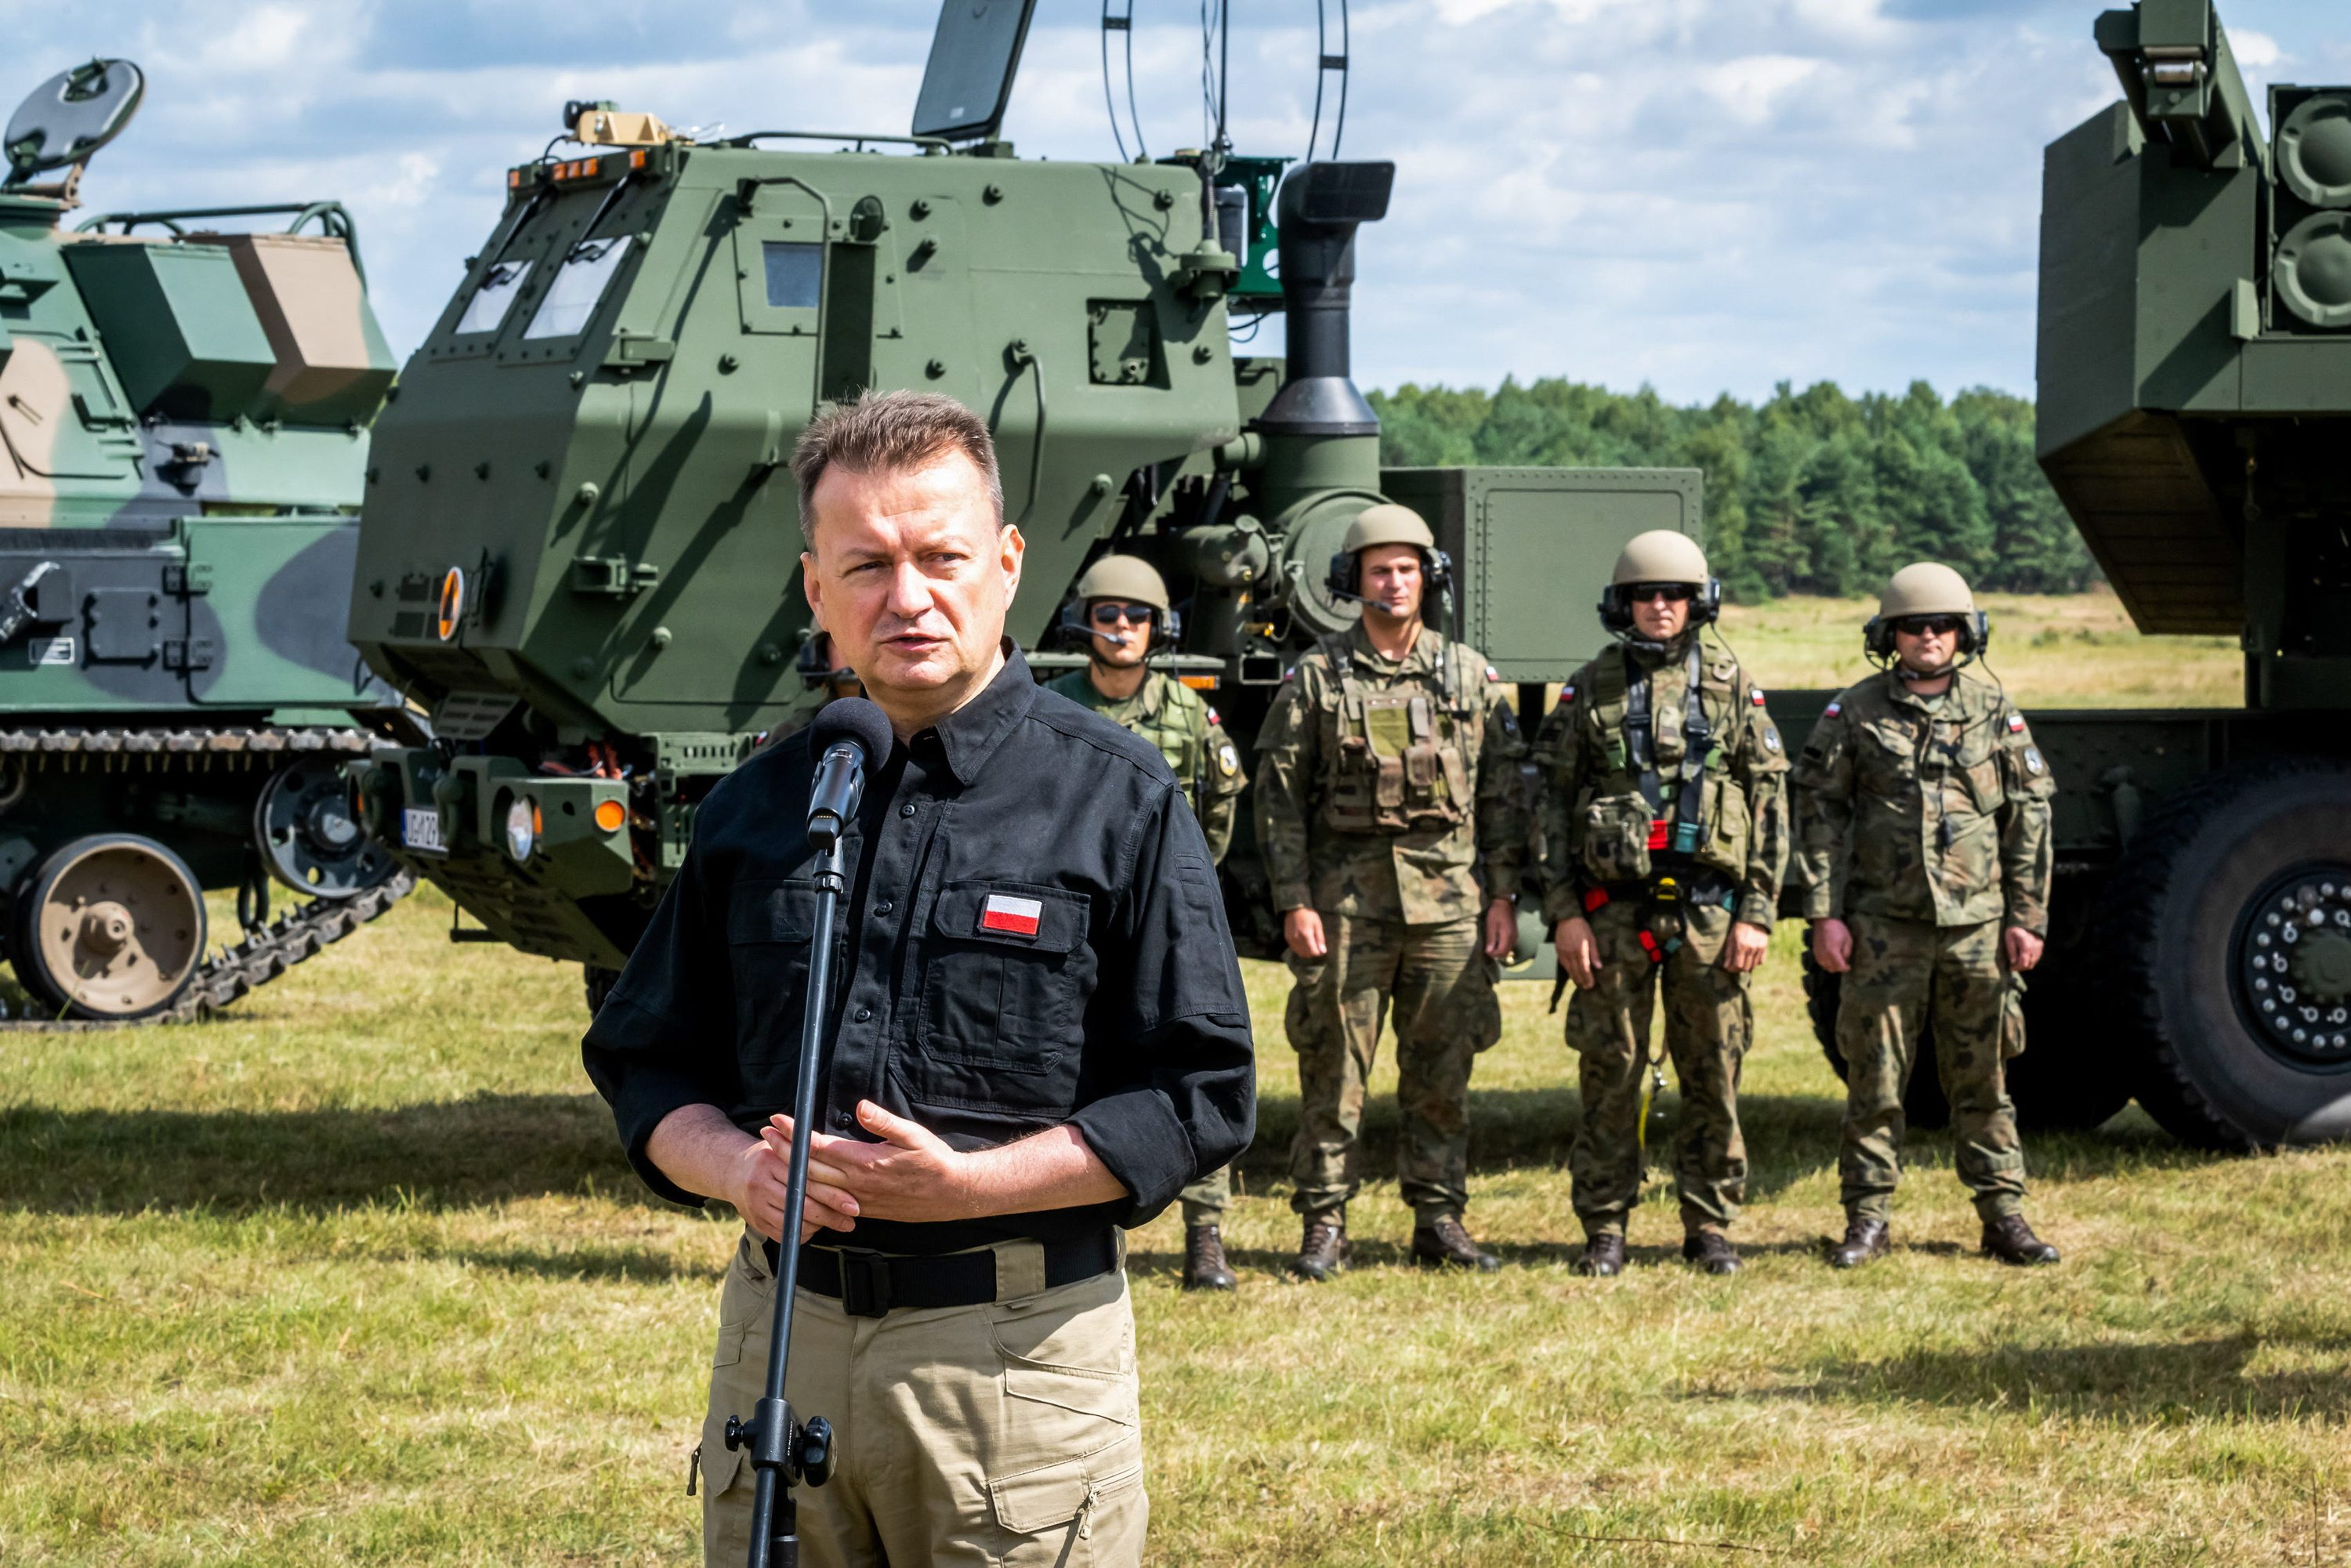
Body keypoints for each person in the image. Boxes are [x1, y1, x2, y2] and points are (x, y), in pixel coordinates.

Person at [581, 389, 1255, 1567]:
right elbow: (648, 1059)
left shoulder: (1120, 798)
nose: (907, 596)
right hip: (782, 1345)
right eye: (868, 564)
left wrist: (977, 1187)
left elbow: (1198, 1094)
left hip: (1011, 1359)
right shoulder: (758, 806)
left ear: (1005, 566)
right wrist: (736, 1166)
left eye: (940, 556)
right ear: (815, 591)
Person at [1253, 503, 1528, 1280]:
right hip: (1346, 908)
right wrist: (1294, 899)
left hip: (1448, 911)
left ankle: (1438, 1218)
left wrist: (1503, 895)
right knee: (1333, 1072)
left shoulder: (1466, 676)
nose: (1395, 581)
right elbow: (1278, 798)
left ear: (1427, 578)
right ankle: (1324, 1224)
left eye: (1408, 568)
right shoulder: (1317, 678)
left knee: (1442, 1072)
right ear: (1353, 581)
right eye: (1380, 569)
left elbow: (1504, 794)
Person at [1791, 562, 2062, 1269]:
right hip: (1884, 926)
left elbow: (2029, 818)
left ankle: (2004, 1214)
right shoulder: (1854, 712)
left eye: (1944, 624)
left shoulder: (1994, 706)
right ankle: (1867, 1219)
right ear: (1890, 635)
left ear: (1966, 633)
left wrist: (2026, 917)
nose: (1930, 637)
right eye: (1914, 626)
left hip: (1977, 929)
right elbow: (1820, 813)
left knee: (1984, 1078)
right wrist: (1824, 913)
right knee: (1875, 1080)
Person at [1534, 531, 1788, 1278]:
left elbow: (1769, 798)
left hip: (1712, 912)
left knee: (1713, 1066)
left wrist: (1758, 911)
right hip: (1612, 912)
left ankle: (1709, 1222)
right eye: (1646, 595)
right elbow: (1547, 802)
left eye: (1674, 594)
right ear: (1624, 604)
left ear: (1697, 602)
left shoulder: (1733, 684)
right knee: (1611, 1067)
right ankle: (1605, 1224)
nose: (1660, 607)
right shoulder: (1591, 687)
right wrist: (1564, 912)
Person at [1045, 554, 1251, 1292]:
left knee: (1192, 1060)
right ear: (1085, 623)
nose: (1124, 628)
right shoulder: (1053, 708)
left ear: (1158, 628)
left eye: (1138, 617)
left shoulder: (1190, 713)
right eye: (1109, 614)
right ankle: (1070, 1211)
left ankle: (1206, 1235)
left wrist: (1181, 884)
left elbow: (1220, 808)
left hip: (1171, 921)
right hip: (1075, 924)